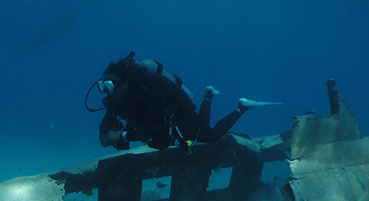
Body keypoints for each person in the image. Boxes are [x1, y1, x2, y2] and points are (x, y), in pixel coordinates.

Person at [86, 52, 273, 151]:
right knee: (200, 127)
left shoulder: (143, 94)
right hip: (168, 113)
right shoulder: (117, 98)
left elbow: (153, 130)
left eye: (109, 86)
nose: (106, 93)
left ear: (125, 83)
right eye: (103, 86)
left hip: (178, 106)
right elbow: (108, 120)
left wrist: (122, 136)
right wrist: (104, 133)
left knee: (208, 136)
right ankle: (208, 94)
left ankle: (242, 107)